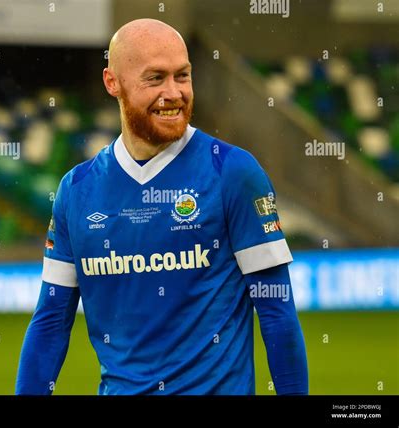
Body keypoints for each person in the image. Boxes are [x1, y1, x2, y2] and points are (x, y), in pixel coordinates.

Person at [16, 18, 308, 395]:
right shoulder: (77, 190)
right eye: (155, 78)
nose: (173, 93)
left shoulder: (232, 172)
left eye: (182, 76)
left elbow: (276, 312)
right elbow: (51, 322)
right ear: (112, 82)